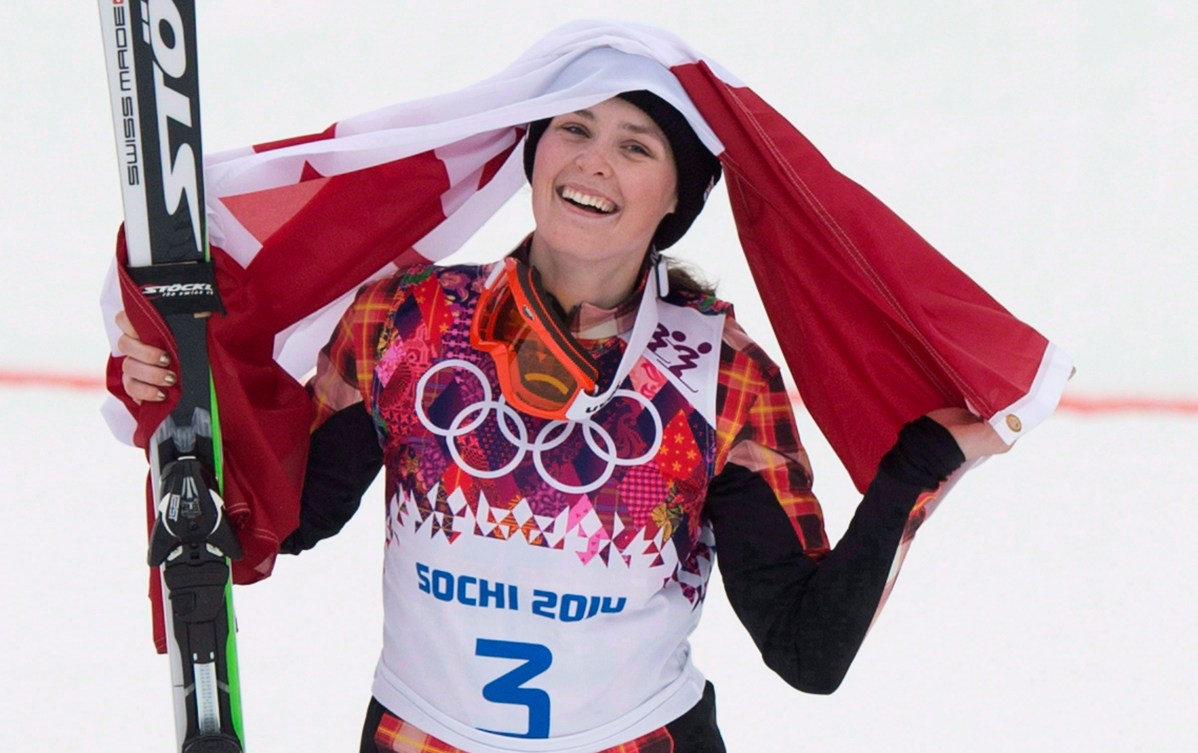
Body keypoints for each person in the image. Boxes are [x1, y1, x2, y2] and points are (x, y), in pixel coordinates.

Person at [116, 84, 1009, 753]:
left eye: (635, 145)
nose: (593, 160)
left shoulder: (723, 378)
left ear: (677, 198)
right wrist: (182, 382)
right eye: (573, 130)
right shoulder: (408, 324)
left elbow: (806, 648)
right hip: (418, 737)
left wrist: (912, 472)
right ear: (535, 157)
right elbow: (286, 515)